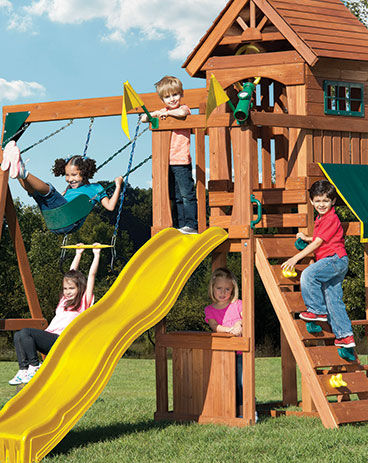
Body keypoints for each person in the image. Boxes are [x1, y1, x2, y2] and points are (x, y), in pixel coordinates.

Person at [9, 243, 102, 386]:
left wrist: (96, 254)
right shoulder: (64, 301)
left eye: (71, 288)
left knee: (27, 332)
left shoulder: (84, 301)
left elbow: (92, 276)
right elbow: (71, 272)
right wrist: (78, 253)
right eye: (65, 288)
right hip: (50, 339)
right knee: (18, 335)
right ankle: (24, 370)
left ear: (80, 288)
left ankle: (34, 366)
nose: (68, 291)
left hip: (62, 340)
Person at [281, 180, 355, 348]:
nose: (322, 204)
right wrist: (307, 238)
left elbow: (317, 244)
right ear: (312, 201)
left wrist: (295, 259)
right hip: (336, 262)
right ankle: (345, 336)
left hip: (334, 259)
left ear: (333, 201)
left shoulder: (330, 218)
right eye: (318, 200)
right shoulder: (322, 218)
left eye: (326, 201)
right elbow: (321, 238)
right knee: (333, 299)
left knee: (309, 275)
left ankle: (316, 311)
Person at [0, 144, 123, 234]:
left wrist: (118, 186)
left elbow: (110, 206)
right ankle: (16, 171)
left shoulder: (96, 188)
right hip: (53, 222)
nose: (70, 179)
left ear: (85, 173)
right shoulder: (69, 189)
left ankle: (23, 172)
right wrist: (64, 193)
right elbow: (60, 199)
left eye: (74, 175)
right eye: (67, 175)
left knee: (49, 192)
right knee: (36, 193)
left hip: (69, 221)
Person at [141, 75, 198, 234]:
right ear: (162, 99)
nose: (172, 99)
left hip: (181, 159)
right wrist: (152, 115)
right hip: (166, 161)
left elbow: (181, 113)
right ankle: (182, 226)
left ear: (181, 94)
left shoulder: (184, 108)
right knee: (175, 196)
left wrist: (168, 115)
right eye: (167, 96)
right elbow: (145, 118)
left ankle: (191, 224)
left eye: (175, 94)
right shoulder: (163, 111)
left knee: (187, 194)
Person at [204, 268, 244, 412]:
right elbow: (214, 326)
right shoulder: (210, 310)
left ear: (233, 290)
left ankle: (244, 410)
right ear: (212, 289)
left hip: (240, 352)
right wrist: (229, 330)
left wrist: (239, 324)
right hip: (221, 353)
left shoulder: (238, 304)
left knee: (241, 383)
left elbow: (246, 318)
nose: (223, 292)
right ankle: (227, 410)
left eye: (227, 289)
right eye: (219, 288)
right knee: (226, 382)